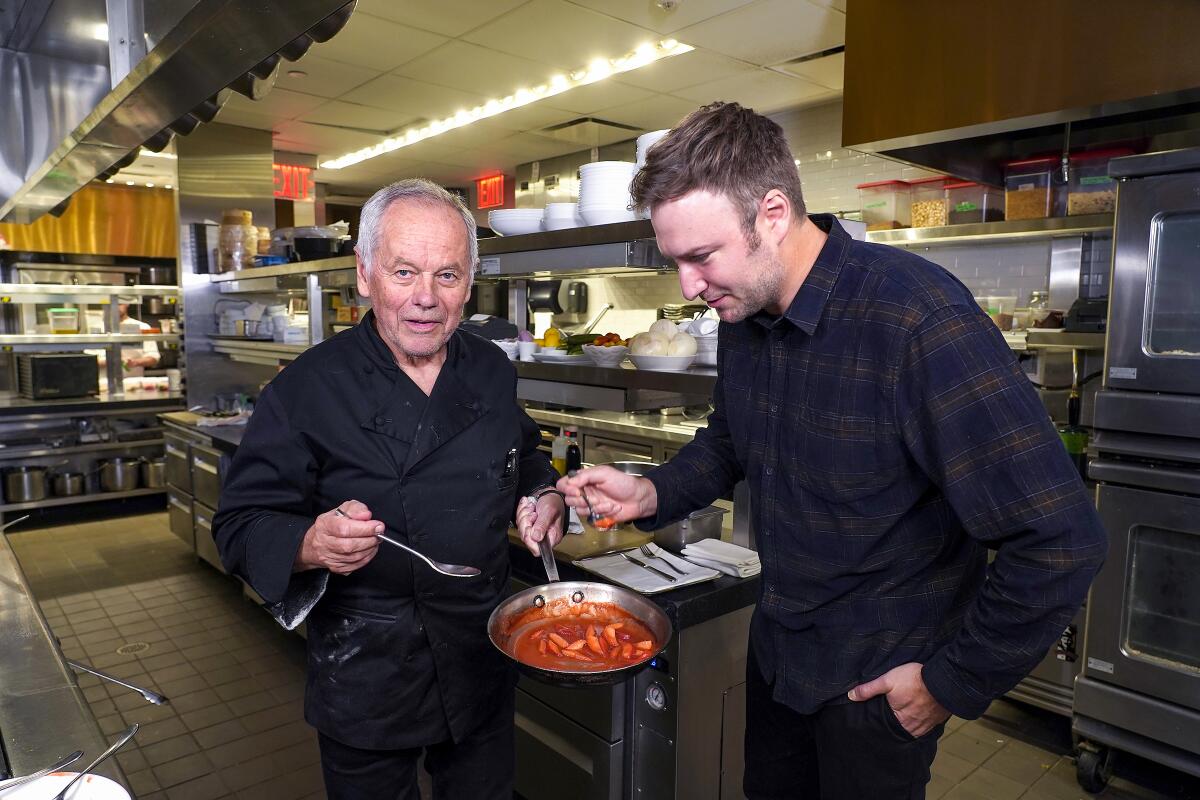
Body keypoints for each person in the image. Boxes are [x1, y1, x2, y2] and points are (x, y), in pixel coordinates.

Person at [557, 102, 1107, 800]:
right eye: (677, 261)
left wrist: (949, 681)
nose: (690, 287)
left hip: (876, 689)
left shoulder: (914, 318)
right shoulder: (744, 315)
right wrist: (654, 491)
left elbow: (1061, 539)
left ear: (774, 214)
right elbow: (730, 441)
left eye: (701, 257)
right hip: (780, 658)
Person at [212, 179, 566, 799]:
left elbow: (526, 453)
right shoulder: (307, 388)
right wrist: (310, 542)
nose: (426, 299)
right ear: (366, 274)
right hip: (368, 668)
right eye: (404, 272)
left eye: (448, 276)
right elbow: (239, 525)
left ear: (471, 281)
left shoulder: (489, 367)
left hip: (481, 649)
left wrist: (546, 496)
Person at [90, 300, 160, 376]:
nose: (115, 307)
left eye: (119, 304)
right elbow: (89, 360)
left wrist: (135, 362)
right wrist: (111, 361)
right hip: (104, 383)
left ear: (127, 303)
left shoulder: (143, 327)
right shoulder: (97, 328)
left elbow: (153, 357)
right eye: (111, 304)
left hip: (134, 382)